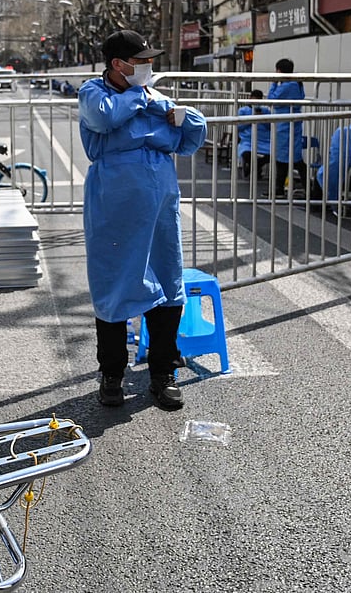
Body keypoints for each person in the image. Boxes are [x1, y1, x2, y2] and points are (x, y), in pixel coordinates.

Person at [78, 30, 207, 410]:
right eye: (141, 61)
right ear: (119, 64)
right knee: (114, 283)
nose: (148, 67)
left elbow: (191, 136)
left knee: (168, 280)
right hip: (115, 200)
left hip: (160, 198)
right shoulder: (94, 92)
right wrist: (142, 100)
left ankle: (163, 372)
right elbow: (103, 120)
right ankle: (112, 374)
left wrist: (183, 116)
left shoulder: (154, 97)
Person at [267, 58, 310, 196]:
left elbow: (272, 99)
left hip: (284, 124)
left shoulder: (287, 86)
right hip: (292, 123)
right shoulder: (296, 83)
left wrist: (273, 83)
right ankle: (305, 187)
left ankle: (280, 189)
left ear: (279, 71)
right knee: (292, 158)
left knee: (285, 158)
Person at [237, 89, 272, 181]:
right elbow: (239, 127)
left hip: (264, 140)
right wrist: (251, 120)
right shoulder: (242, 111)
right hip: (248, 140)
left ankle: (253, 167)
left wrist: (262, 118)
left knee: (273, 154)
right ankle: (256, 169)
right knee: (246, 153)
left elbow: (270, 126)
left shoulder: (266, 111)